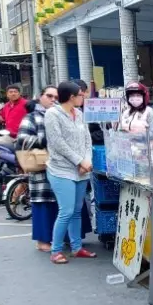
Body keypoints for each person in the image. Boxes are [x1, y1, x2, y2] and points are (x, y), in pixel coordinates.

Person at [44, 81, 96, 264]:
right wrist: (79, 160)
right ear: (72, 97)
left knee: (76, 210)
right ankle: (56, 250)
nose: (84, 97)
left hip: (82, 170)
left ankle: (77, 247)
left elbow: (87, 140)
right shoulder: (52, 115)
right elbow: (58, 144)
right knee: (65, 211)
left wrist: (87, 160)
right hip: (61, 170)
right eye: (81, 94)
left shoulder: (80, 114)